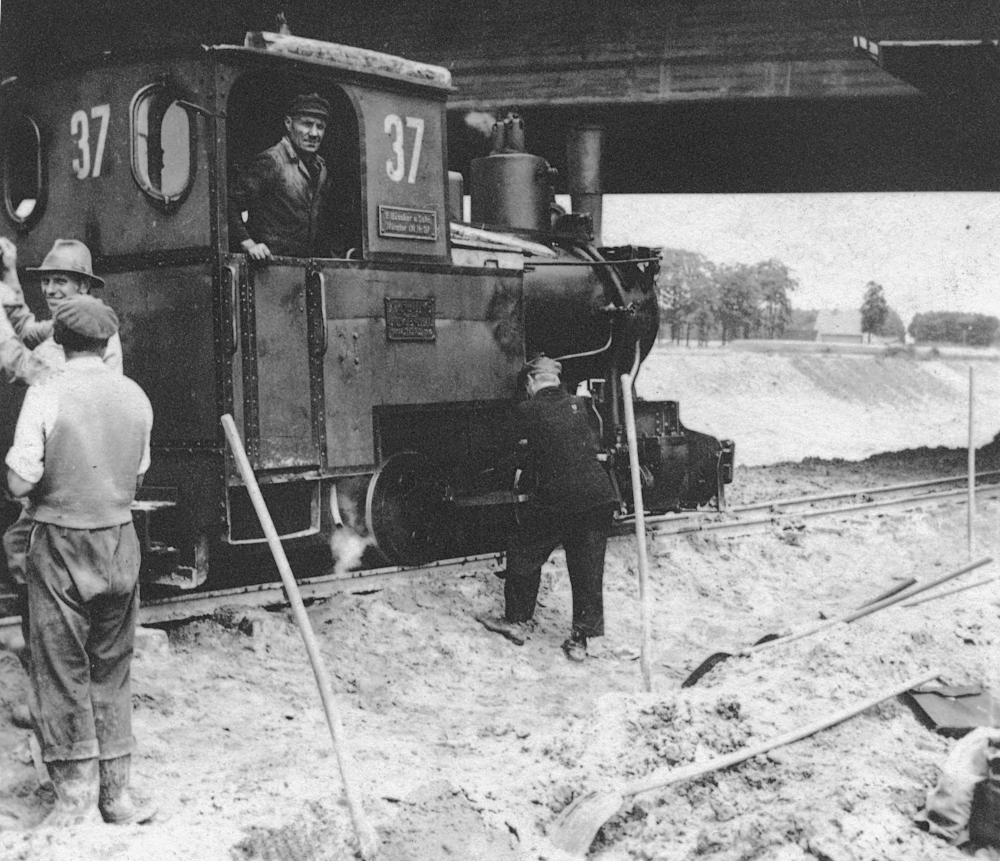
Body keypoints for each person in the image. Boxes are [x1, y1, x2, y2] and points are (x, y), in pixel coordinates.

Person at [6, 294, 154, 827]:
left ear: (60, 342)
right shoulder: (136, 396)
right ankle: (117, 798)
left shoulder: (47, 393)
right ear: (106, 341)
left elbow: (20, 480)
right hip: (120, 543)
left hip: (63, 546)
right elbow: (136, 476)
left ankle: (73, 799)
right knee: (112, 668)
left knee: (61, 668)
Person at [0, 238, 125, 731]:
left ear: (83, 289)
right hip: (93, 486)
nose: (50, 289)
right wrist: (9, 273)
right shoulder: (81, 327)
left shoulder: (83, 342)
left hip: (69, 490)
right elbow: (28, 330)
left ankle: (51, 703)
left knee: (41, 581)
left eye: (61, 282)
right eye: (47, 280)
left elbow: (24, 358)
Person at [478, 356, 618, 661]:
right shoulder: (580, 406)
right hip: (598, 495)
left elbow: (513, 454)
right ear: (556, 381)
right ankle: (580, 640)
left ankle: (518, 621)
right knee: (588, 566)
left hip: (560, 497)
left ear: (530, 383)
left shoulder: (527, 409)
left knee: (525, 551)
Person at [228, 92, 335, 260]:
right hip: (269, 267)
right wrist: (249, 244)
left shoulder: (320, 168)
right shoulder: (272, 160)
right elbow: (230, 205)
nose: (314, 133)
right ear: (288, 123)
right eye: (307, 124)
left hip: (303, 268)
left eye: (320, 126)